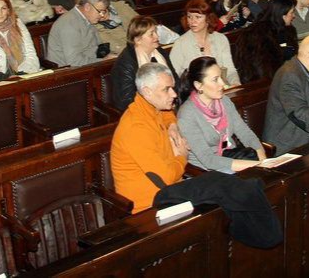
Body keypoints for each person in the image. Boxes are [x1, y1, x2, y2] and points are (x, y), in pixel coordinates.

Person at [111, 62, 188, 213]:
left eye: (172, 88)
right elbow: (165, 178)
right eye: (166, 89)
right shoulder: (136, 128)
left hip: (171, 193)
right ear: (147, 92)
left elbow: (167, 113)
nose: (174, 94)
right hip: (149, 207)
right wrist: (182, 157)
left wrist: (172, 125)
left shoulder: (152, 107)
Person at [177, 57, 266, 173]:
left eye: (221, 77)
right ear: (198, 85)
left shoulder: (224, 101)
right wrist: (256, 165)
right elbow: (208, 160)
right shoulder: (187, 114)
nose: (222, 83)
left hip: (231, 156)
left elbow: (245, 133)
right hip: (207, 170)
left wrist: (263, 160)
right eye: (215, 80)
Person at [170, 0, 240, 86]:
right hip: (195, 91)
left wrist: (235, 83)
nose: (192, 21)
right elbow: (173, 77)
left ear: (208, 19)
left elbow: (230, 69)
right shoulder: (180, 43)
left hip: (221, 87)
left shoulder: (221, 39)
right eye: (189, 17)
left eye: (197, 17)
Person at [112, 16, 175, 112]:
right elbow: (126, 100)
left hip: (166, 103)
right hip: (140, 110)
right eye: (151, 34)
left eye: (156, 31)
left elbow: (174, 80)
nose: (157, 36)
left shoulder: (160, 52)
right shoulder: (125, 64)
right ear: (138, 40)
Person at [233, 0, 298, 83]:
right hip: (263, 82)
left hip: (285, 77)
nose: (294, 16)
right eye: (292, 12)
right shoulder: (258, 35)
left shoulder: (288, 31)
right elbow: (262, 68)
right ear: (282, 14)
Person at [46, 0, 111, 68]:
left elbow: (98, 48)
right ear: (87, 7)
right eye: (100, 11)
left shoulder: (88, 18)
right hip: (68, 72)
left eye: (103, 12)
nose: (102, 15)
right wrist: (104, 61)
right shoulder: (69, 24)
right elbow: (74, 62)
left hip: (89, 67)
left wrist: (108, 57)